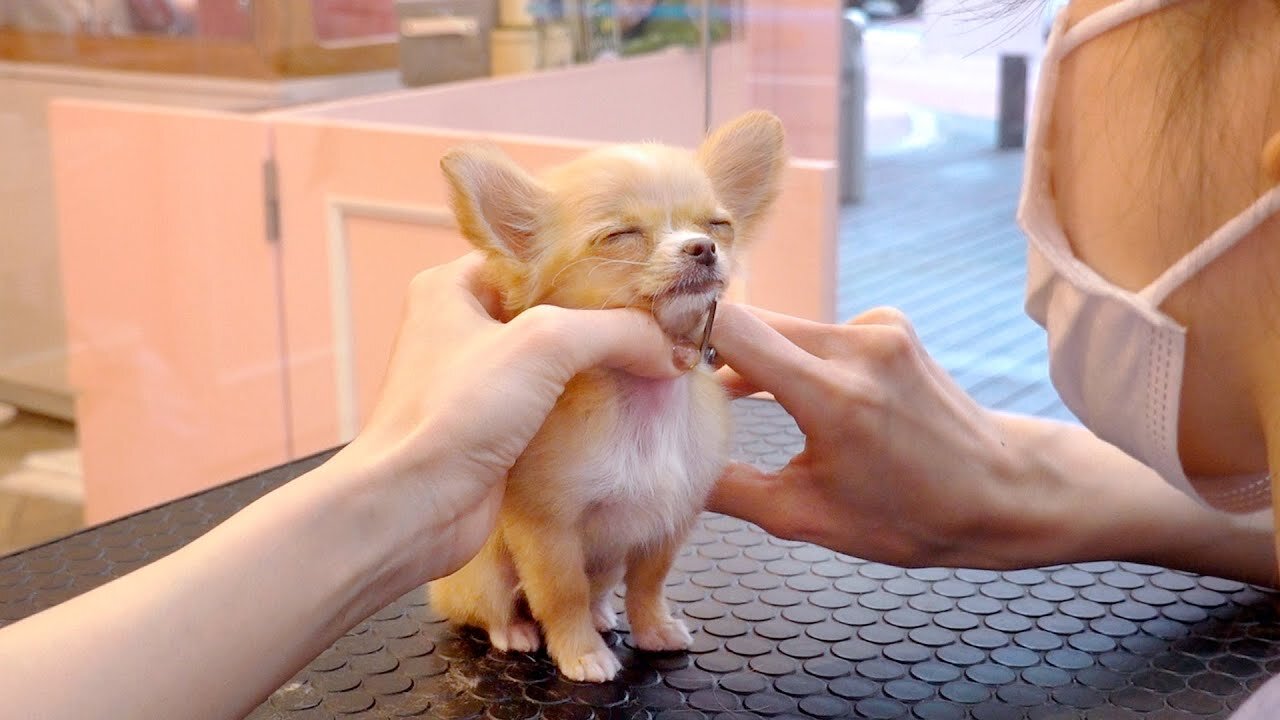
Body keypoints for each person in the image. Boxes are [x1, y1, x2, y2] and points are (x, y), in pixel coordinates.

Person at [4, 0, 1280, 717]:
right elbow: (541, 515)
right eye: (632, 238)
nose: (695, 253)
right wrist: (1034, 488)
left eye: (1061, 44)